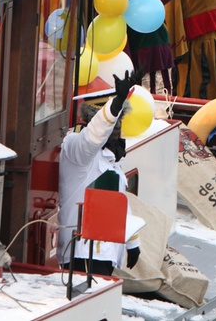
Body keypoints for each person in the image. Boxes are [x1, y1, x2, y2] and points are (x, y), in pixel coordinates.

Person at [58, 72, 141, 276]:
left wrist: (132, 242)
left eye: (120, 120)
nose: (116, 128)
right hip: (82, 251)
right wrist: (116, 104)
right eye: (114, 121)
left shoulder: (111, 157)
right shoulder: (76, 149)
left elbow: (116, 201)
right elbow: (95, 135)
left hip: (107, 251)